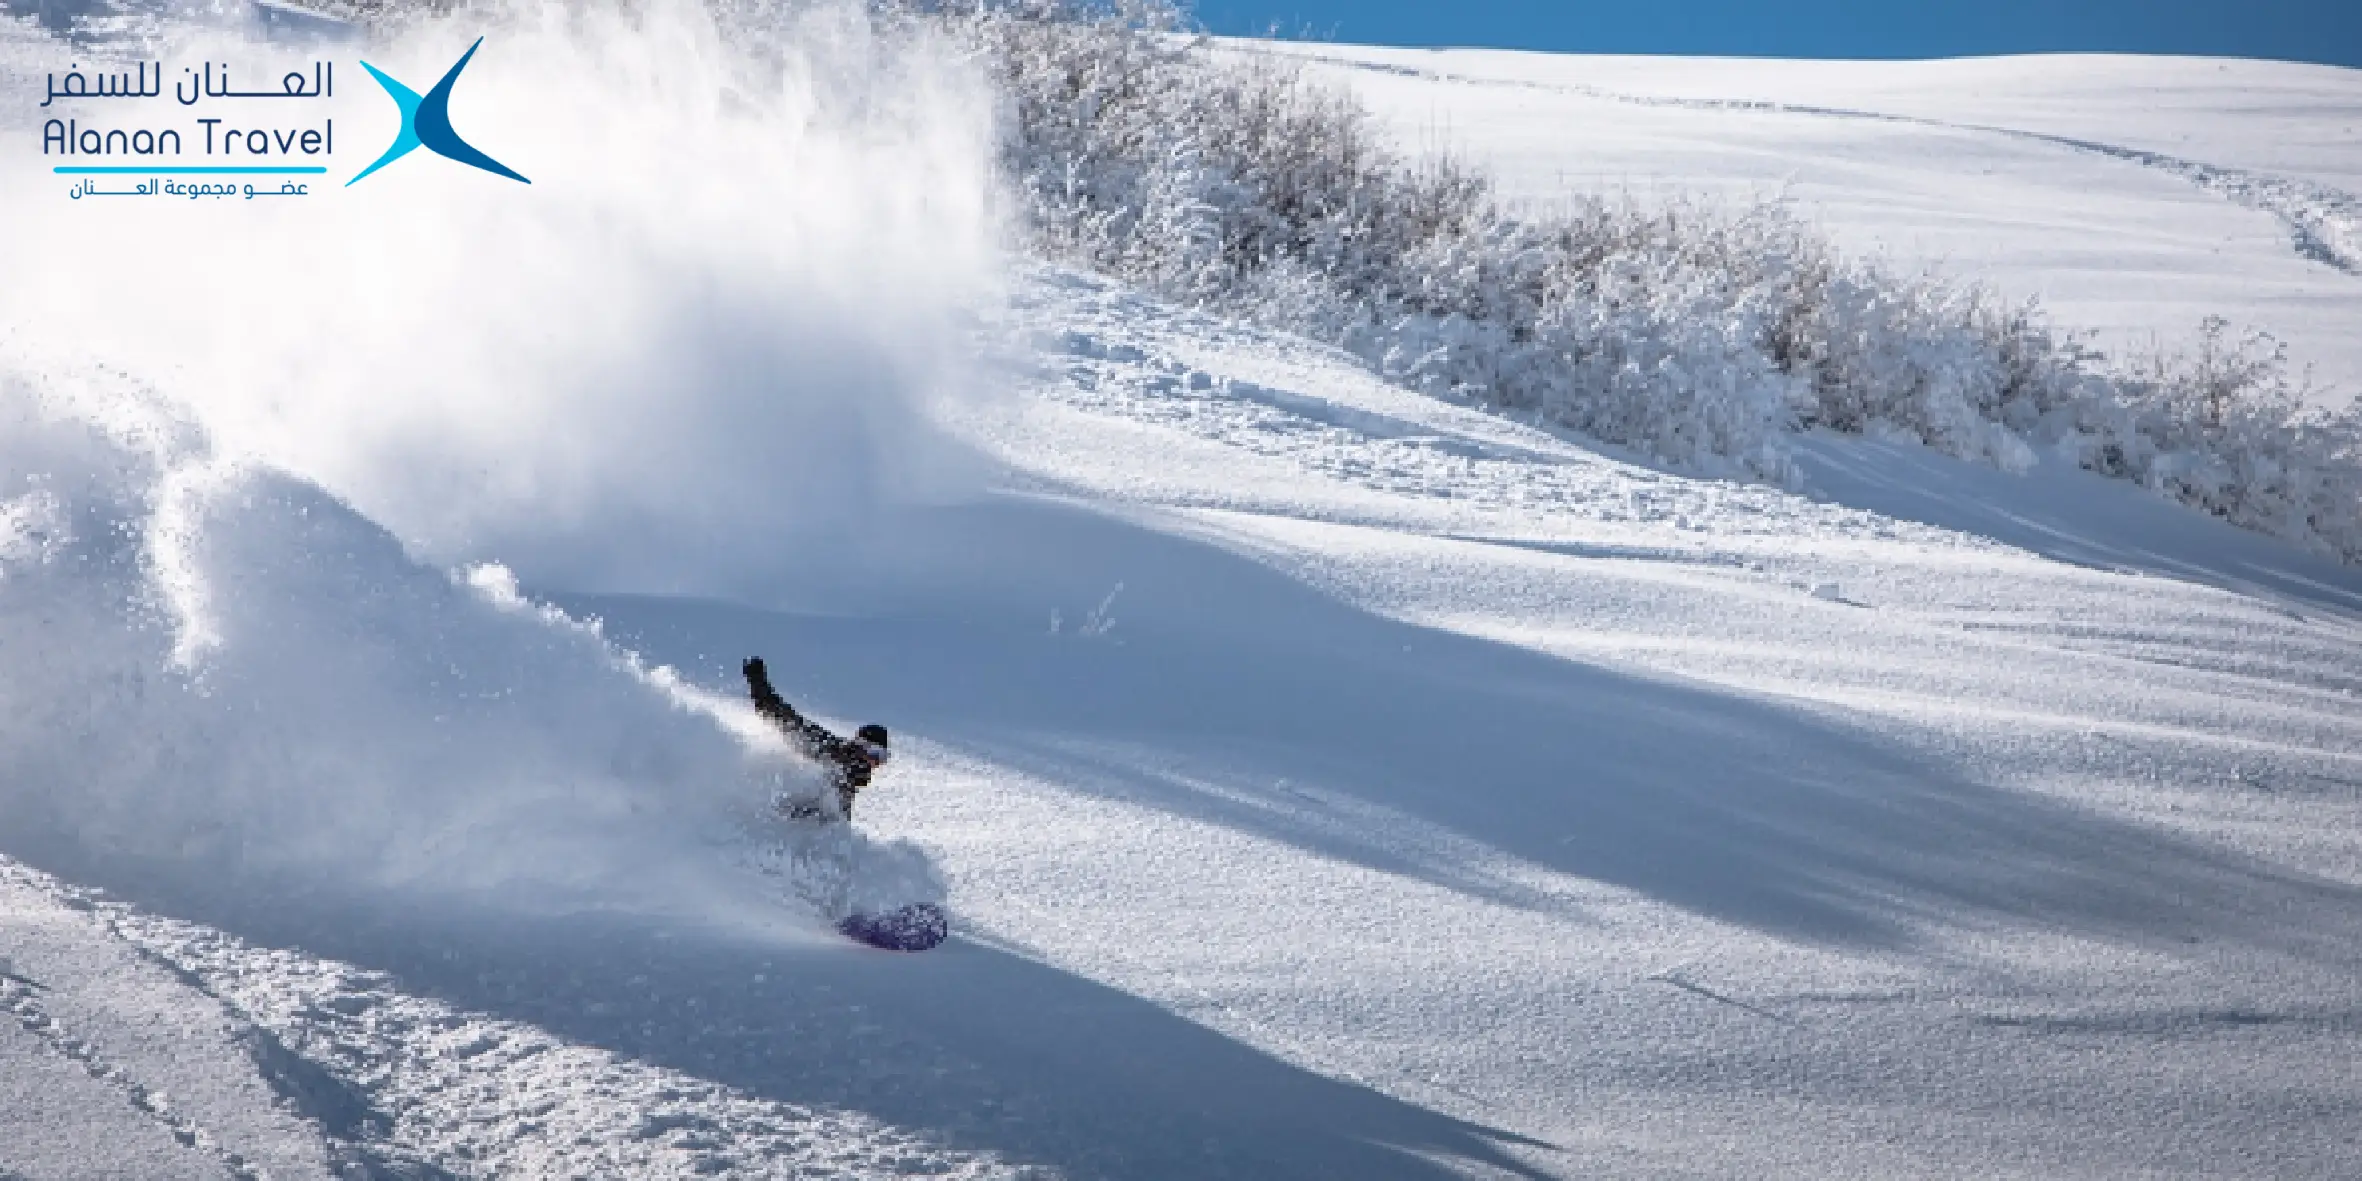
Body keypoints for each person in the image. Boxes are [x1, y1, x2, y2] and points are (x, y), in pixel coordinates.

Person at [742, 657, 891, 822]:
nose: (876, 763)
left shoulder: (852, 781)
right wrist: (758, 681)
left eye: (882, 757)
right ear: (861, 745)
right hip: (772, 811)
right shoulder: (828, 748)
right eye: (876, 753)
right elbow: (781, 716)